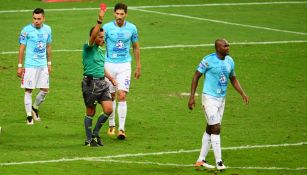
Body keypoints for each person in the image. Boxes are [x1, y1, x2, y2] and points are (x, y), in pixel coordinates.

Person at [188, 39, 249, 170]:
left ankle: (201, 160)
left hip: (221, 99)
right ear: (218, 48)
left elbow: (233, 78)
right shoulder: (207, 60)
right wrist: (191, 97)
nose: (228, 47)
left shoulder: (230, 61)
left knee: (210, 128)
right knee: (216, 127)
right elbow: (196, 76)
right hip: (209, 98)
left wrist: (242, 93)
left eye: (228, 45)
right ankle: (219, 162)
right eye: (225, 46)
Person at [103, 2, 141, 140]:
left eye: (122, 14)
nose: (119, 17)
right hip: (109, 65)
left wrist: (138, 66)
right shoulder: (106, 28)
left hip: (125, 65)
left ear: (126, 14)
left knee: (122, 95)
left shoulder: (132, 28)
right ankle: (112, 124)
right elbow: (100, 44)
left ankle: (121, 129)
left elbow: (136, 47)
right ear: (114, 13)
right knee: (111, 96)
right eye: (117, 14)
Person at [82, 9, 117, 147]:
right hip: (90, 83)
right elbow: (93, 37)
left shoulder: (101, 50)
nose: (102, 39)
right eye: (100, 37)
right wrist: (99, 20)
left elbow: (101, 67)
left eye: (103, 37)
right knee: (91, 111)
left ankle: (95, 133)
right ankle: (89, 139)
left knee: (108, 109)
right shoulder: (88, 48)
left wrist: (111, 78)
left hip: (102, 83)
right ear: (93, 37)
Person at [17, 8, 52, 125]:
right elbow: (22, 48)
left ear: (43, 18)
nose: (36, 21)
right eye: (34, 18)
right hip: (30, 66)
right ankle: (29, 117)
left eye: (39, 19)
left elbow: (48, 47)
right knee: (29, 90)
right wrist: (20, 66)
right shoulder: (26, 30)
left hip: (43, 65)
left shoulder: (48, 29)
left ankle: (34, 108)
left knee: (45, 90)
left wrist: (49, 63)